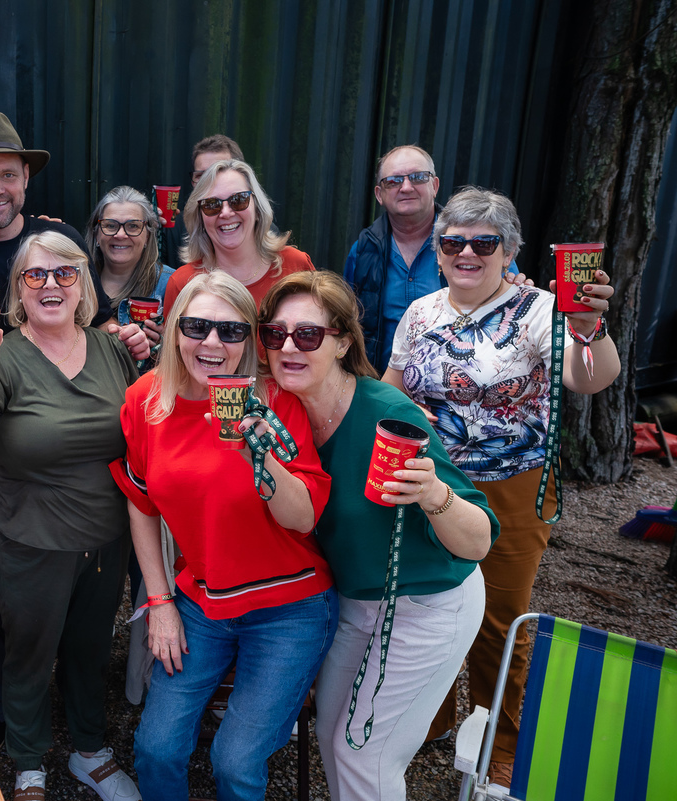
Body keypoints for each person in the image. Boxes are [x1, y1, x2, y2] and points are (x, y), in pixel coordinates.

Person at [0, 111, 148, 752]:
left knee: (84, 629)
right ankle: (13, 729)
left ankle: (82, 739)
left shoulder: (66, 258)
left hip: (88, 502)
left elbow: (137, 418)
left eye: (9, 175)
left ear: (25, 181)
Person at [385, 187, 619, 788]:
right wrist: (407, 413)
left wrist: (588, 328)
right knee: (425, 605)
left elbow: (588, 380)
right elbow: (391, 385)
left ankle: (501, 737)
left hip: (509, 486)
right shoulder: (422, 311)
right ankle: (430, 718)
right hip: (428, 480)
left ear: (508, 250)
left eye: (483, 242)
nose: (466, 251)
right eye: (453, 241)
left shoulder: (541, 310)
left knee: (498, 617)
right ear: (437, 252)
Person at [258, 269, 496, 801]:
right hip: (356, 602)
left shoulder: (388, 414)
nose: (289, 346)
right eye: (275, 334)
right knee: (329, 733)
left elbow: (478, 541)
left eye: (309, 335)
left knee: (366, 751)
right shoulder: (282, 413)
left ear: (343, 341)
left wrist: (432, 492)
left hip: (428, 602)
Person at [115, 271, 337, 801]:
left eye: (231, 332)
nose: (212, 343)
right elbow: (140, 502)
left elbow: (303, 518)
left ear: (249, 341)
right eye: (196, 327)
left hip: (291, 605)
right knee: (156, 749)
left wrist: (261, 459)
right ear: (173, 331)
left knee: (235, 764)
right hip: (203, 599)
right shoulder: (148, 400)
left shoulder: (276, 401)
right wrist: (160, 601)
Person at [0, 231, 140, 801]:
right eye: (35, 276)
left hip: (105, 540)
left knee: (90, 647)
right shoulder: (0, 354)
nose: (50, 285)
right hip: (29, 538)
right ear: (17, 291)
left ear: (83, 285)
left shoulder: (112, 351)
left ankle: (89, 751)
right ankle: (28, 761)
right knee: (28, 651)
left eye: (64, 274)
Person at [343, 145, 520, 373]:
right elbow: (348, 324)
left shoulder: (479, 246)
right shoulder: (363, 252)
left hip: (459, 389)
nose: (406, 187)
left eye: (417, 177)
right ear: (379, 194)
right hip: (382, 389)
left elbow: (511, 309)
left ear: (434, 186)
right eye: (394, 181)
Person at [162, 158, 315, 314]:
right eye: (211, 204)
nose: (226, 213)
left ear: (257, 209)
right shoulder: (182, 283)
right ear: (200, 218)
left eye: (239, 200)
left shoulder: (296, 265)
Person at [85, 185, 174, 367]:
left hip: (145, 392)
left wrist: (164, 347)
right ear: (96, 233)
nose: (120, 234)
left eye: (133, 226)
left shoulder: (170, 284)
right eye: (110, 225)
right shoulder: (74, 281)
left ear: (148, 236)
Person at [158, 134, 246, 268]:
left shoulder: (259, 227)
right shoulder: (174, 228)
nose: (207, 181)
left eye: (218, 170)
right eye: (201, 176)